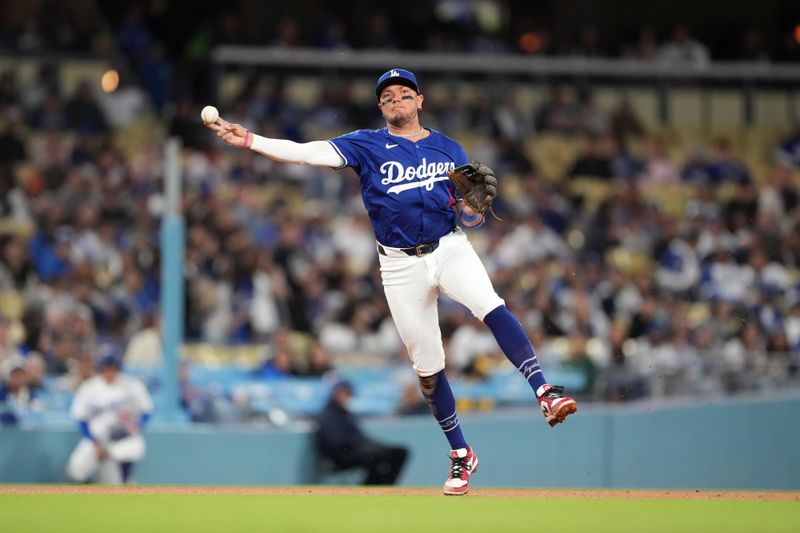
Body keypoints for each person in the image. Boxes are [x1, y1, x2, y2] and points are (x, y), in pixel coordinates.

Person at [207, 68, 577, 495]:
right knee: (428, 369)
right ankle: (461, 454)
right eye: (388, 96)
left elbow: (468, 214)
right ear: (381, 107)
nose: (397, 99)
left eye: (405, 93)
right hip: (399, 265)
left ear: (420, 101)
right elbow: (306, 152)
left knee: (489, 304)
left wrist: (474, 212)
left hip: (447, 247)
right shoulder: (365, 145)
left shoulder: (449, 148)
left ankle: (544, 390)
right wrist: (251, 140)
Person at [65, 344, 153, 484]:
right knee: (76, 470)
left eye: (113, 367)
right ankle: (88, 495)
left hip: (122, 439)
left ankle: (125, 482)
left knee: (116, 483)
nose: (110, 371)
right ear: (101, 368)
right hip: (96, 440)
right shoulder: (89, 388)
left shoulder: (132, 386)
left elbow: (147, 411)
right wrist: (95, 443)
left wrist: (137, 427)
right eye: (106, 367)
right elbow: (80, 419)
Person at [315, 379, 408, 485]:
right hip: (342, 456)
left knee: (400, 453)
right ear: (335, 394)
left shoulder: (345, 412)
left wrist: (371, 446)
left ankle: (386, 486)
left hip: (357, 449)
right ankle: (369, 488)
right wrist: (364, 447)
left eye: (348, 393)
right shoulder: (328, 414)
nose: (346, 397)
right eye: (343, 393)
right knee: (375, 456)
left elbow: (359, 437)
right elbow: (336, 442)